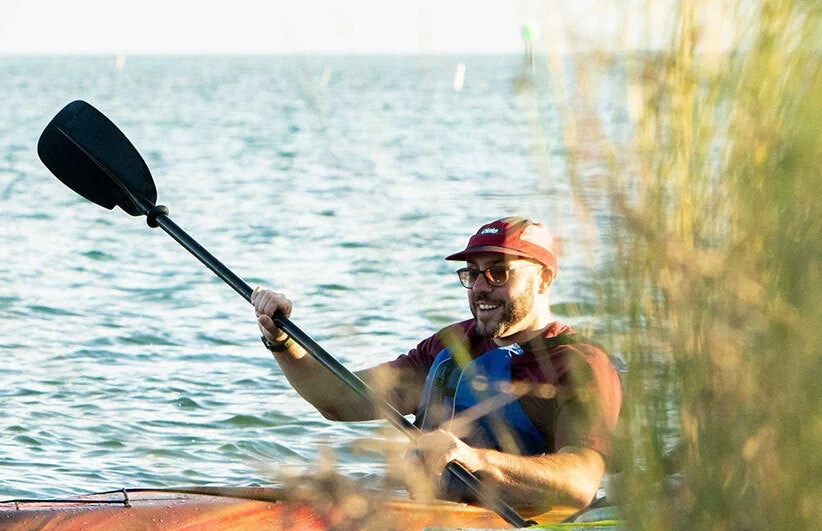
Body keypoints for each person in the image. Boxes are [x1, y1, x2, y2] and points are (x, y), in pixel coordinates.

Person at [251, 216, 621, 510]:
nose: (480, 287)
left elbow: (580, 483)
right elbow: (338, 400)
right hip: (421, 513)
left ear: (544, 279)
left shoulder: (578, 365)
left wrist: (476, 460)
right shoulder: (452, 345)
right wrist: (281, 340)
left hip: (504, 530)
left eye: (498, 272)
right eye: (472, 273)